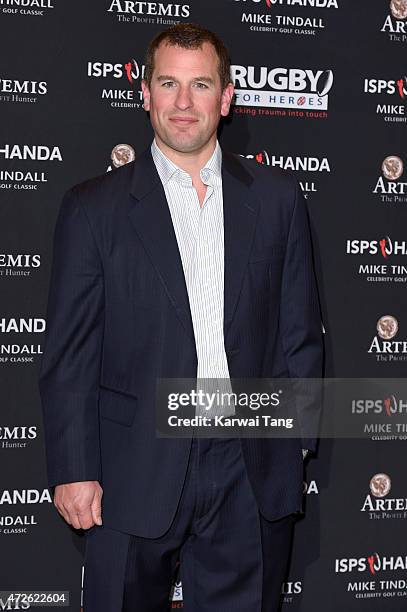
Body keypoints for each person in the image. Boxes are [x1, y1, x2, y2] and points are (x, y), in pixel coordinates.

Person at [38, 23, 323, 612]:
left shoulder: (276, 199)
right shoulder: (93, 208)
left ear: (226, 97)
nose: (184, 103)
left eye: (200, 85)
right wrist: (72, 468)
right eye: (169, 83)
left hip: (249, 462)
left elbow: (299, 333)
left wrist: (293, 445)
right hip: (128, 466)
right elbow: (70, 355)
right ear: (145, 93)